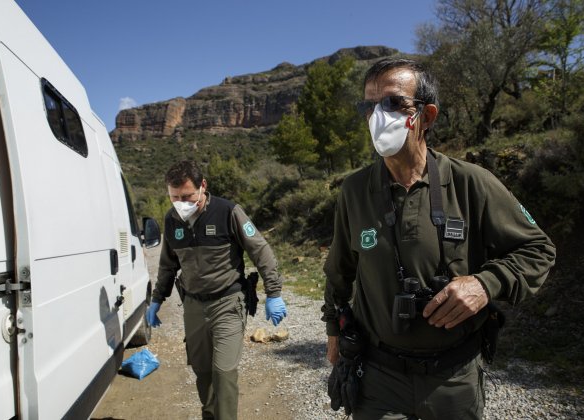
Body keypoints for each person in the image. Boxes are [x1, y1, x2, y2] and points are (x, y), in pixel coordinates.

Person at [322, 58, 556, 419]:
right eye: (368, 106)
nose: (377, 115)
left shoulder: (470, 182)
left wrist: (484, 284)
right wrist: (333, 329)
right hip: (378, 377)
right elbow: (339, 271)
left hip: (453, 379)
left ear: (427, 117)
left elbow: (538, 250)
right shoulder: (354, 190)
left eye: (393, 103)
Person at [146, 159, 287, 420]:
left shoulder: (228, 212)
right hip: (193, 306)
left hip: (228, 302)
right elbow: (167, 265)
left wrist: (274, 293)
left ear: (203, 186)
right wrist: (156, 300)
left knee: (223, 371)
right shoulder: (172, 219)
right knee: (203, 372)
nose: (181, 203)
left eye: (187, 196)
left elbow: (261, 250)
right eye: (174, 197)